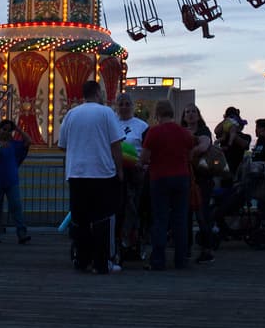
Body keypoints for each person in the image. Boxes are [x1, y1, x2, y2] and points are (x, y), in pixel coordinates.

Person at [58, 80, 124, 274]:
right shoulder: (106, 113)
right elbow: (116, 144)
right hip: (102, 173)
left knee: (80, 219)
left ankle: (82, 259)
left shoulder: (71, 114)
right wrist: (120, 170)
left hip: (77, 173)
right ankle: (102, 262)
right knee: (102, 218)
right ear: (97, 92)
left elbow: (62, 144)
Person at [139, 100, 194, 270]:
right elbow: (191, 153)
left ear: (157, 114)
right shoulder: (183, 132)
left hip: (159, 178)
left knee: (160, 219)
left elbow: (144, 158)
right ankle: (181, 260)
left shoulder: (153, 132)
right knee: (180, 219)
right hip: (181, 177)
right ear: (172, 113)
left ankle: (158, 260)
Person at [113, 91, 149, 261]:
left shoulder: (141, 126)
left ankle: (133, 237)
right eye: (121, 104)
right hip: (115, 171)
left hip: (135, 172)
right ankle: (119, 238)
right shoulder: (111, 123)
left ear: (132, 106)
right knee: (119, 207)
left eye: (127, 104)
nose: (124, 107)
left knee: (134, 206)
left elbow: (148, 148)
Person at [0, 119, 31, 244]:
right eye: (5, 129)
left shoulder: (14, 144)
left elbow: (28, 141)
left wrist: (18, 129)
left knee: (16, 206)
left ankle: (21, 233)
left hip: (11, 180)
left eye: (10, 130)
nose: (7, 132)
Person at [181, 105, 217, 264]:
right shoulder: (180, 131)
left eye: (193, 111)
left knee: (202, 214)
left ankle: (207, 250)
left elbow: (204, 146)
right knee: (185, 215)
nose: (190, 114)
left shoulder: (204, 131)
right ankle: (186, 248)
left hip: (202, 178)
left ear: (198, 115)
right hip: (185, 177)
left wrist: (188, 153)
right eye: (187, 112)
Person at [215, 105, 251, 177]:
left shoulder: (246, 137)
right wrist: (227, 119)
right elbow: (216, 130)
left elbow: (245, 145)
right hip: (223, 167)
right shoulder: (223, 135)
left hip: (237, 169)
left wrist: (233, 133)